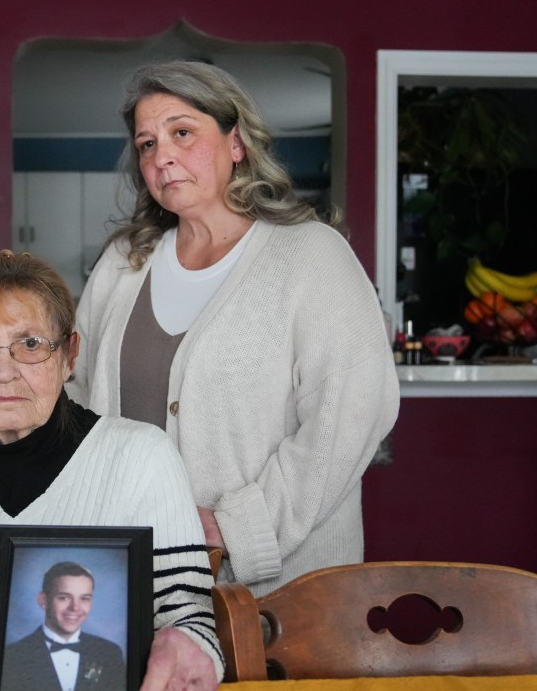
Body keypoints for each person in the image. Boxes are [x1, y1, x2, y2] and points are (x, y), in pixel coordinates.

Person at [68, 60, 400, 598]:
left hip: (284, 592)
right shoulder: (124, 263)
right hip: (137, 580)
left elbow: (352, 414)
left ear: (236, 143)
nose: (163, 156)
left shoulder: (311, 256)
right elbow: (76, 392)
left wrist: (236, 527)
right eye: (147, 144)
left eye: (182, 132)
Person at [0, 250, 223, 691]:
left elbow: (188, 609)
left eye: (29, 344)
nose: (2, 372)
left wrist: (189, 645)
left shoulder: (142, 457)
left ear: (69, 356)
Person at [1, 561, 125, 691]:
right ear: (43, 600)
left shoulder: (110, 653)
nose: (75, 607)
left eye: (84, 598)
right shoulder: (12, 657)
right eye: (64, 598)